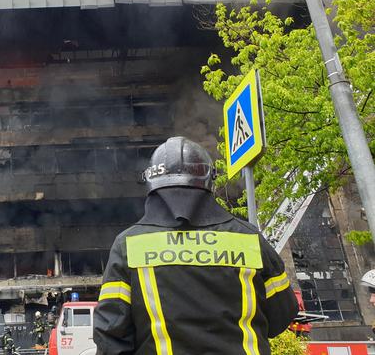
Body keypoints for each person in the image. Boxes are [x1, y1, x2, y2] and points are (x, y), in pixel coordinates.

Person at [93, 136, 298, 355]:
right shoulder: (249, 239)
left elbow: (111, 336)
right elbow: (282, 315)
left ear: (151, 183)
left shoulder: (128, 245)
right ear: (210, 181)